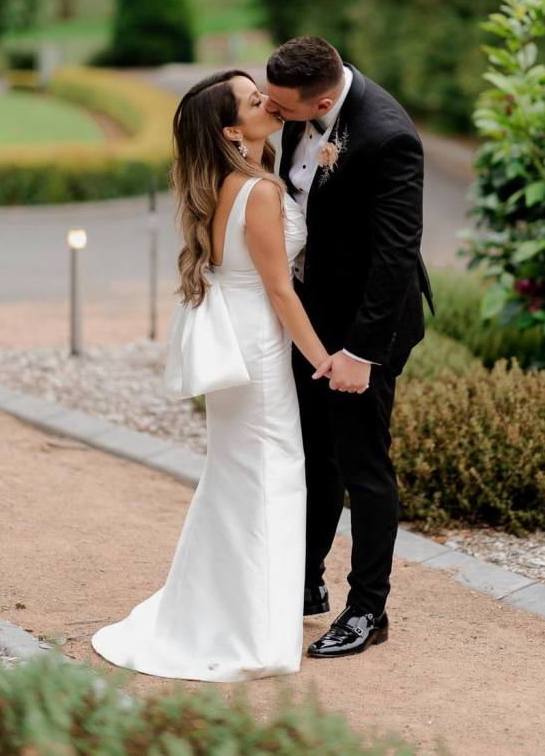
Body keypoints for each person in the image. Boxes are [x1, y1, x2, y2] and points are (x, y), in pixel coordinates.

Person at [91, 70, 330, 682]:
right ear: (231, 128)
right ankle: (252, 629)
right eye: (255, 101)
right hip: (257, 342)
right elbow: (280, 288)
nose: (269, 103)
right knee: (273, 471)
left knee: (235, 474)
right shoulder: (261, 191)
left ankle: (220, 610)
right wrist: (322, 358)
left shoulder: (225, 184)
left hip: (235, 334)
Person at [265, 36, 435, 659]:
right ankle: (306, 580)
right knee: (315, 452)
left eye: (284, 111)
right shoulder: (301, 106)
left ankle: (367, 610)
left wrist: (361, 355)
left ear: (326, 98)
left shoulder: (389, 136)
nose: (275, 116)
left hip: (369, 326)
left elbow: (394, 256)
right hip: (312, 316)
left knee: (364, 464)